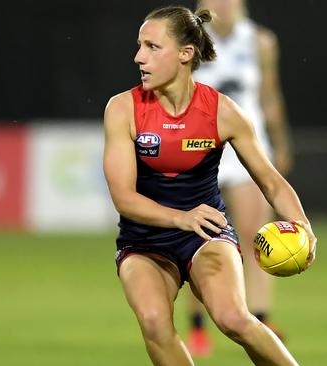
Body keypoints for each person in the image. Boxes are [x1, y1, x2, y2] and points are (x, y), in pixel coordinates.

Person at [103, 5, 316, 366]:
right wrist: (181, 217)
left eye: (153, 47)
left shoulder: (222, 111)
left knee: (234, 318)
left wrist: (304, 226)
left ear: (186, 54)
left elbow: (271, 181)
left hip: (206, 234)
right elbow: (124, 199)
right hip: (144, 240)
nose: (139, 57)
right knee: (154, 323)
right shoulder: (123, 109)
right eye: (140, 46)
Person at [187, 0, 293, 355]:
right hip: (201, 150)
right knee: (198, 242)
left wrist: (280, 144)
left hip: (247, 151)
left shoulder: (260, 41)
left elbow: (269, 96)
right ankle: (199, 328)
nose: (223, 4)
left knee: (256, 239)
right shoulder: (190, 39)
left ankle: (261, 320)